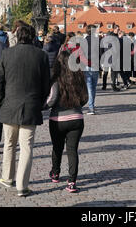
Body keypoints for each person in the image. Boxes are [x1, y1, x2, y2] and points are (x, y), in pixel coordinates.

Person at [0, 25, 50, 197]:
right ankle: (22, 185)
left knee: (9, 144)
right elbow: (46, 84)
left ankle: (7, 177)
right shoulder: (41, 55)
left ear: (17, 36)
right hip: (31, 105)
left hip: (9, 105)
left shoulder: (7, 53)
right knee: (26, 147)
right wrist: (40, 103)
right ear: (33, 37)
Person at [46, 50, 88, 193]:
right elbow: (85, 99)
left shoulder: (56, 80)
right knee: (72, 150)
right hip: (77, 119)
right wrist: (76, 107)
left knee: (57, 148)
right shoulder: (79, 78)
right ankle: (72, 182)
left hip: (58, 119)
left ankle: (55, 173)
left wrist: (43, 106)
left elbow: (51, 100)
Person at [79, 25, 100, 115]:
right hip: (95, 65)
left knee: (89, 87)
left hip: (86, 65)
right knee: (93, 87)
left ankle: (91, 107)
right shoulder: (97, 41)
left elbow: (81, 54)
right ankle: (92, 106)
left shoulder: (83, 41)